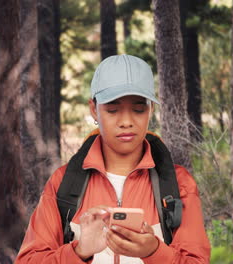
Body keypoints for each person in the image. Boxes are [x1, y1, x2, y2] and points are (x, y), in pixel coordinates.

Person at [15, 54, 211, 263]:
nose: (126, 121)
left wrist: (154, 252)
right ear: (94, 109)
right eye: (112, 109)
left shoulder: (179, 184)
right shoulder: (63, 183)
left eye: (138, 109)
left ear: (151, 110)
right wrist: (79, 252)